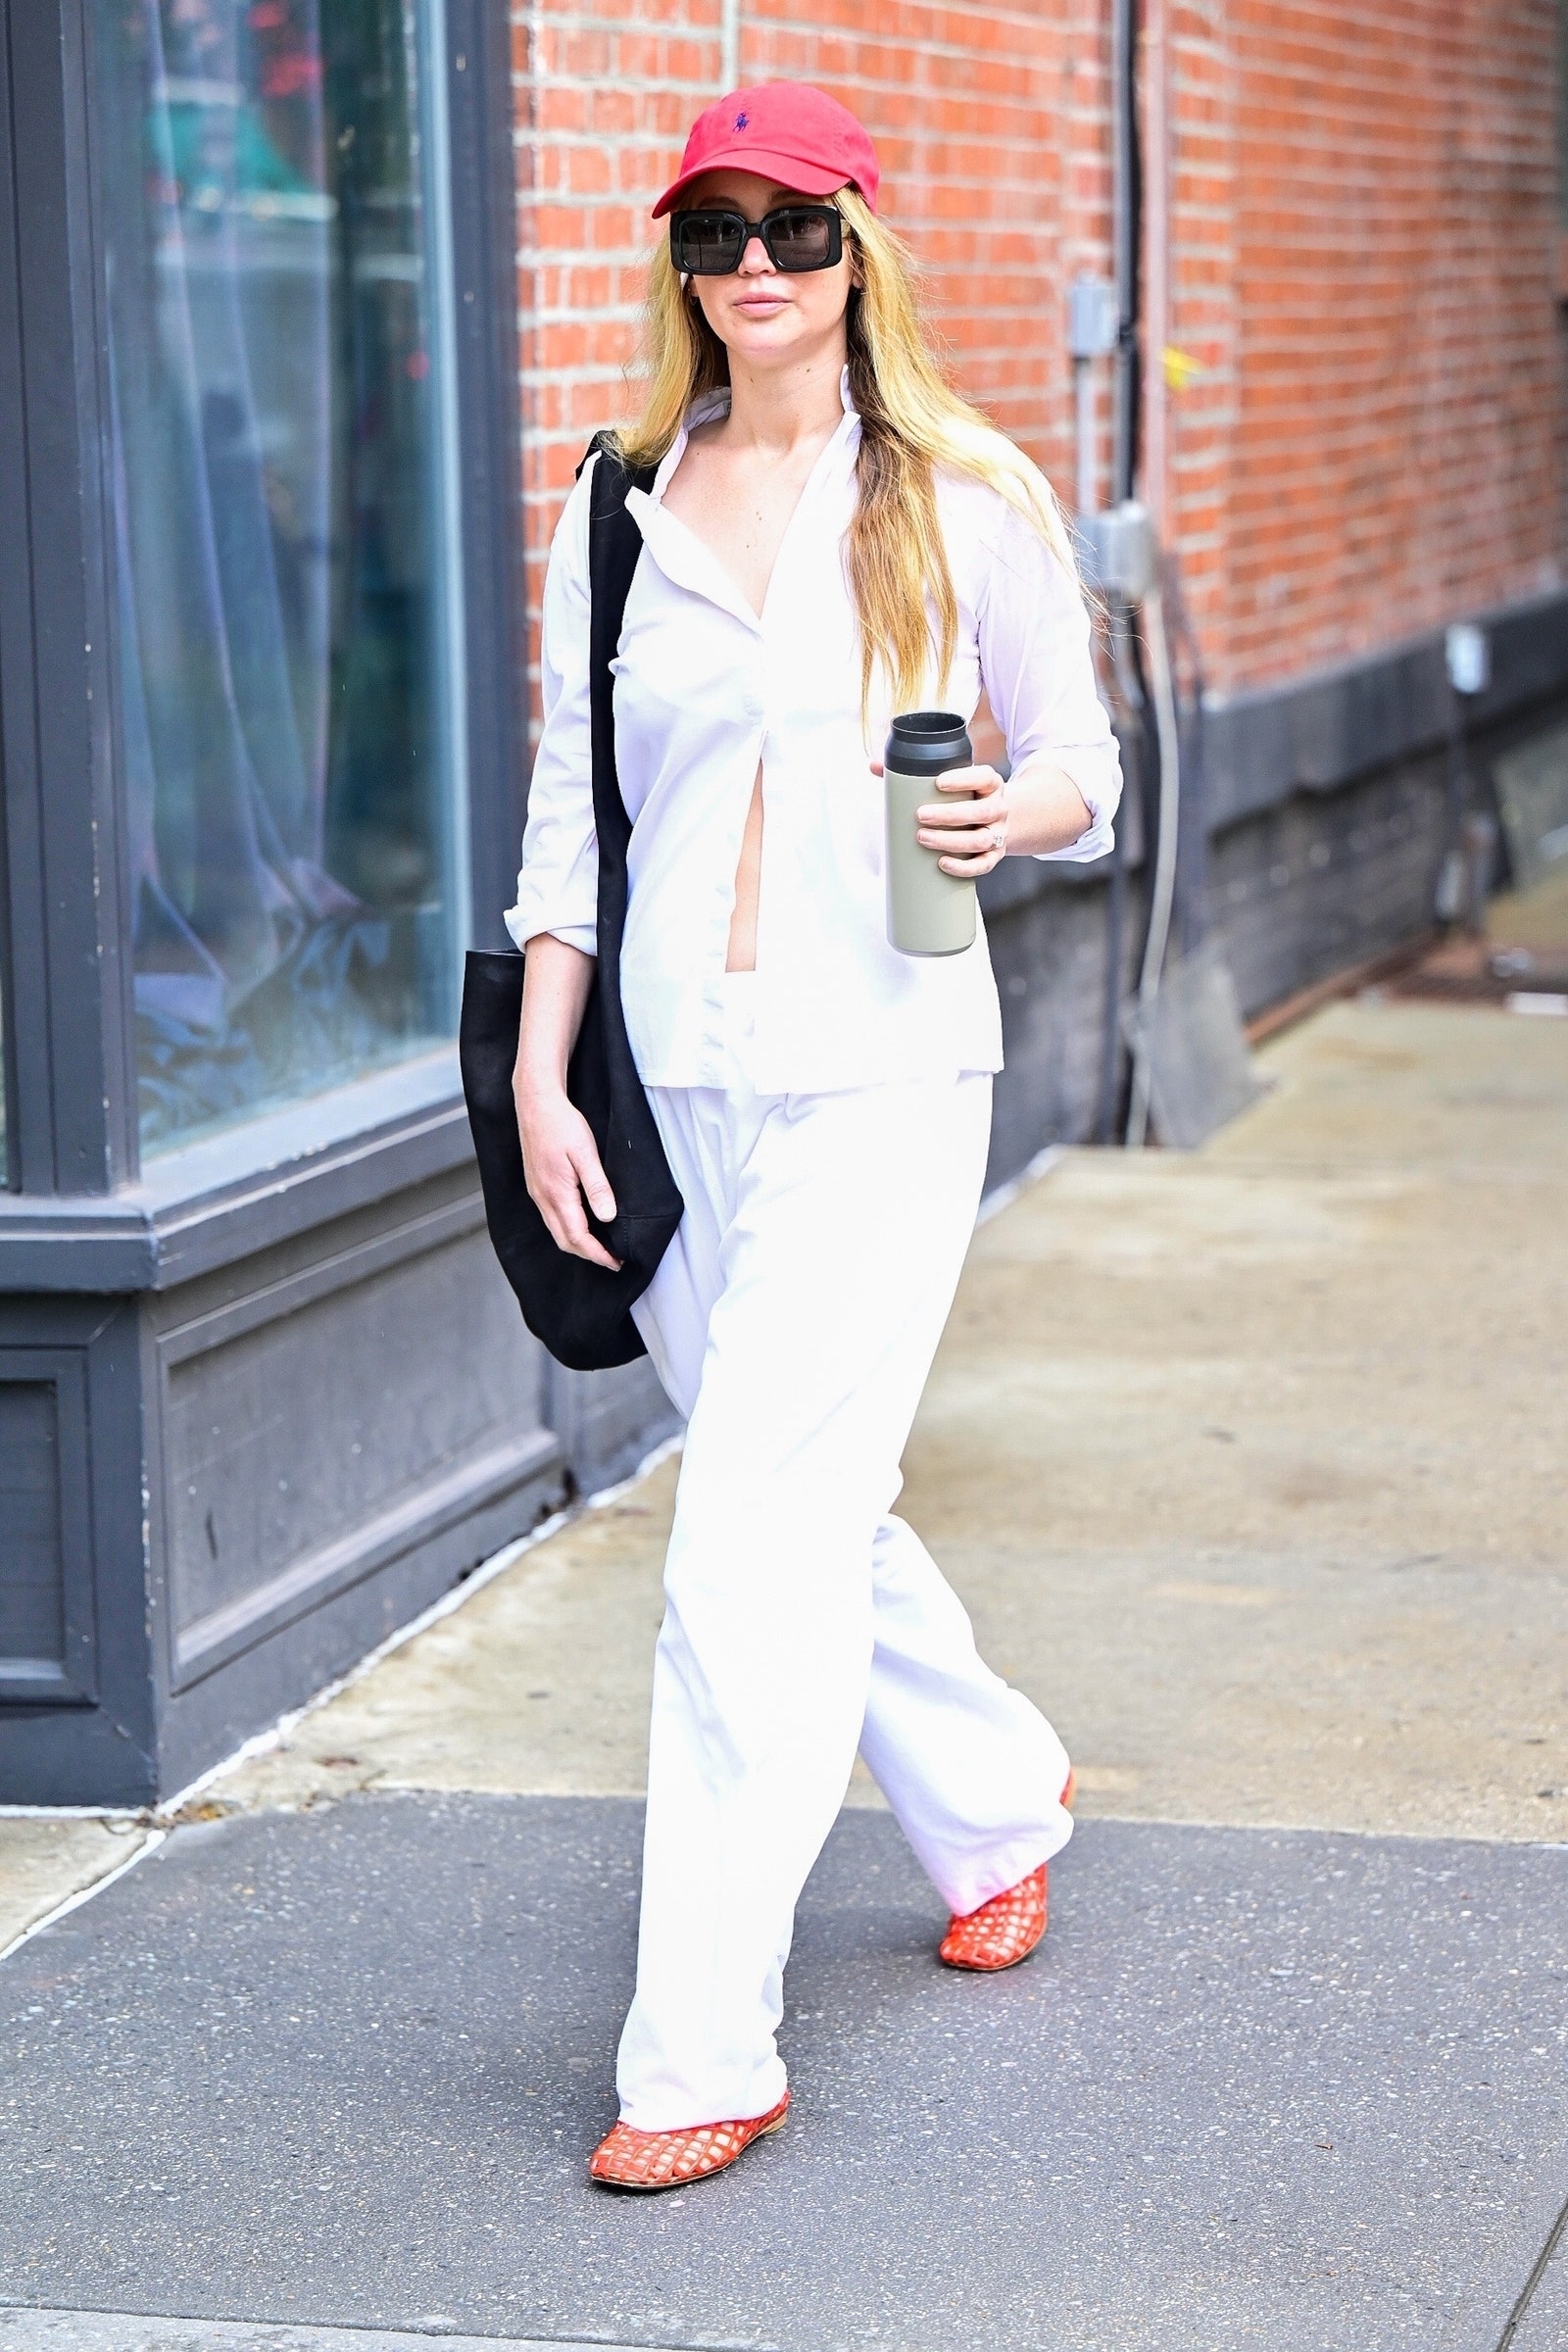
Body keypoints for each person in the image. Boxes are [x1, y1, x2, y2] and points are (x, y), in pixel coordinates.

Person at [507, 81, 1121, 2194]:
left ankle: (696, 2057)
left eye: (791, 228)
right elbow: (564, 825)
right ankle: (996, 1809)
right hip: (666, 1087)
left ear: (859, 247)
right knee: (814, 1509)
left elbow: (1084, 766)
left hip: (879, 1074)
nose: (751, 268)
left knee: (738, 1558)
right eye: (715, 232)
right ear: (679, 263)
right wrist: (534, 1064)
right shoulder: (615, 504)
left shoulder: (953, 492)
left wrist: (1000, 811)